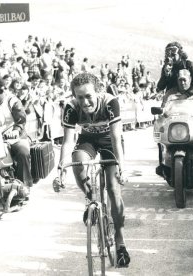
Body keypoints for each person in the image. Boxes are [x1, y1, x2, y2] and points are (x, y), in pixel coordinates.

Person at [54, 72, 130, 267]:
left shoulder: (110, 102)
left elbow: (115, 137)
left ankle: (120, 243)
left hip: (109, 141)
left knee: (113, 189)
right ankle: (91, 198)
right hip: (88, 140)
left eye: (88, 96)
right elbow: (69, 141)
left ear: (98, 91)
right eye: (80, 97)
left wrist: (122, 166)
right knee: (77, 164)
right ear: (74, 97)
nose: (85, 102)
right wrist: (61, 168)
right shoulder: (71, 107)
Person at [158, 69, 193, 180]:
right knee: (160, 140)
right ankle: (163, 165)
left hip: (192, 127)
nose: (182, 82)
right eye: (180, 80)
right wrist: (161, 114)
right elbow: (163, 109)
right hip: (174, 127)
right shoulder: (170, 93)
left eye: (184, 80)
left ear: (190, 80)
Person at [0, 79, 32, 197]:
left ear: (4, 90)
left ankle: (24, 187)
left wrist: (16, 131)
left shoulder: (13, 101)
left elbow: (21, 119)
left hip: (14, 136)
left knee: (23, 152)